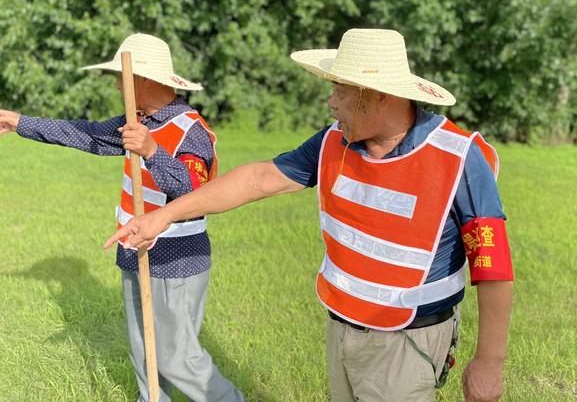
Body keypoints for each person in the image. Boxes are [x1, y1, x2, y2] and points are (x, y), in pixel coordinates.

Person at [105, 28, 514, 402]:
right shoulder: (333, 142)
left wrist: (489, 363)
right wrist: (165, 216)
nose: (330, 102)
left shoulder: (460, 159)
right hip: (341, 328)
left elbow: (493, 268)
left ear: (380, 94)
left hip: (407, 343)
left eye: (339, 89)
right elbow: (260, 178)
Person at [0, 33, 245, 402]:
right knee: (145, 354)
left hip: (175, 259)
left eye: (121, 76)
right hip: (135, 248)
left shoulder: (190, 131)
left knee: (178, 359)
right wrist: (19, 122)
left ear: (143, 81)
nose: (116, 84)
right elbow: (83, 134)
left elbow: (195, 193)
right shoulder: (137, 121)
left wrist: (151, 150)